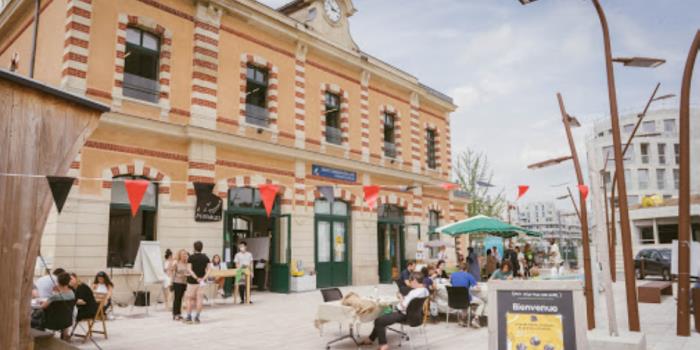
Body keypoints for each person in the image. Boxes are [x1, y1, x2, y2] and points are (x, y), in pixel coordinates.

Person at [360, 271, 429, 350]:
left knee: (379, 321)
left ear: (415, 281)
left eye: (411, 281)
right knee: (382, 318)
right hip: (418, 317)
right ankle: (370, 339)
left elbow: (403, 306)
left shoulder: (413, 292)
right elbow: (413, 304)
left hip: (405, 316)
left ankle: (383, 345)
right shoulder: (425, 291)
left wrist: (400, 298)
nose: (410, 283)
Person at [35, 272, 75, 339]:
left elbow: (43, 307)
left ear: (57, 282)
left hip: (52, 322)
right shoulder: (72, 294)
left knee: (35, 316)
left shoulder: (55, 297)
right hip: (66, 321)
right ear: (68, 282)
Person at [185, 240, 211, 324]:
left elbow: (189, 269)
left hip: (192, 282)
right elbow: (209, 270)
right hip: (201, 282)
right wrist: (203, 278)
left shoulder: (191, 257)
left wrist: (196, 277)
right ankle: (197, 317)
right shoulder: (205, 258)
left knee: (189, 299)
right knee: (199, 299)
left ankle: (189, 317)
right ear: (202, 248)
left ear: (194, 247)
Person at [449, 262, 482, 327]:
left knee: (465, 305)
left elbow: (451, 283)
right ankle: (475, 319)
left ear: (459, 268)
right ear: (467, 269)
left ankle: (462, 320)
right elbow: (477, 288)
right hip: (465, 299)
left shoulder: (453, 275)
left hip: (454, 299)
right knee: (482, 303)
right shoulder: (468, 275)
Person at [169, 249, 189, 321]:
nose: (184, 255)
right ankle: (175, 314)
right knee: (177, 299)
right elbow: (172, 273)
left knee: (180, 299)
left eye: (185, 254)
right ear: (179, 255)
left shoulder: (187, 263)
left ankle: (179, 314)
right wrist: (171, 283)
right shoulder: (176, 263)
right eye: (183, 254)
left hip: (184, 283)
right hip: (177, 282)